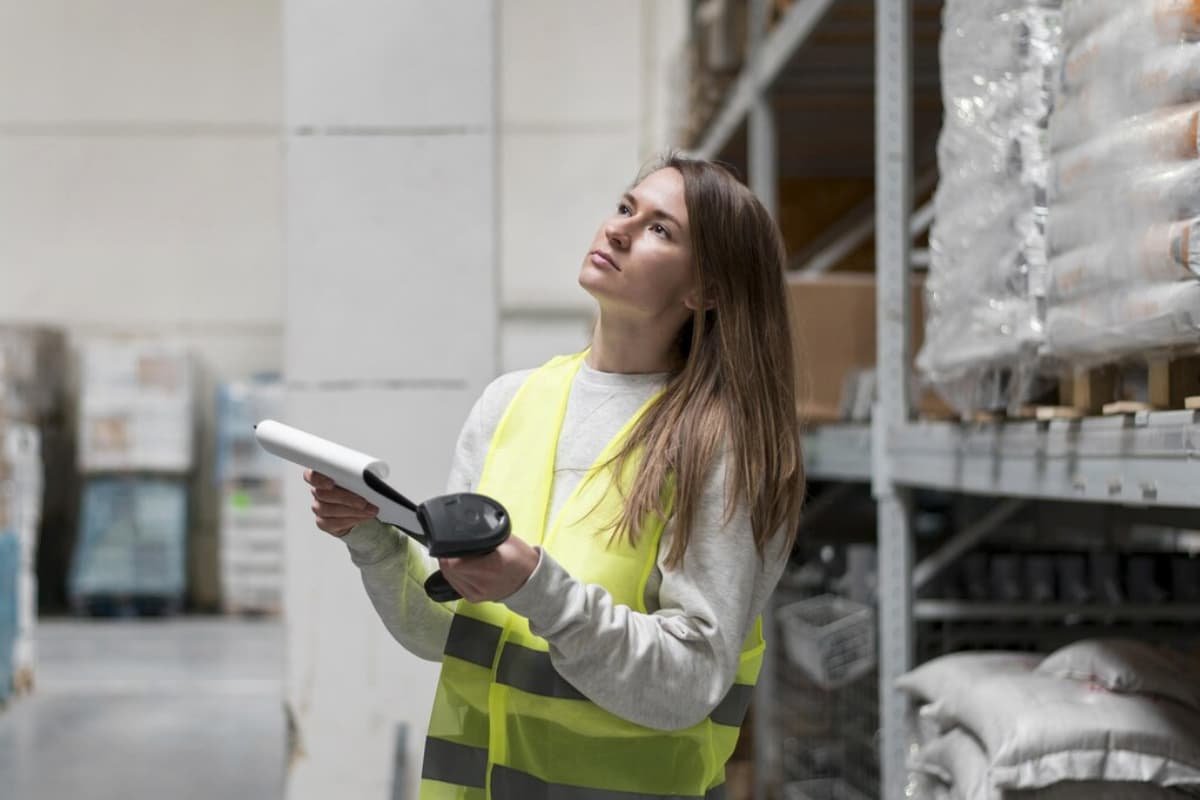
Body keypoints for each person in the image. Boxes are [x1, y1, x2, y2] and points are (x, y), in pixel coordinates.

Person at [304, 153, 804, 798]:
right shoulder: (510, 403)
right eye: (625, 208)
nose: (619, 230)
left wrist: (536, 589)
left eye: (661, 229)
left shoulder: (722, 444)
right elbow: (447, 633)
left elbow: (688, 683)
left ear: (705, 290)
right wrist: (372, 537)